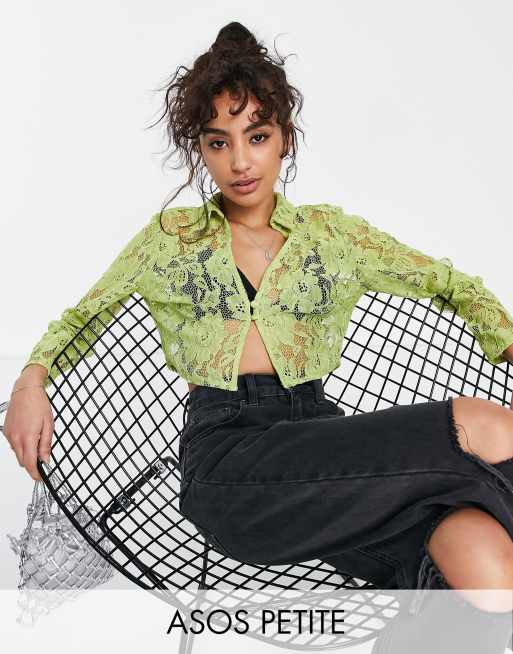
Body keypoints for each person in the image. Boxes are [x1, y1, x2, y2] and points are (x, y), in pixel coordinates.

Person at [4, 21, 513, 651]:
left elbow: (451, 283)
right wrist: (30, 381)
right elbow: (80, 320)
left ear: (285, 140)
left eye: (258, 136)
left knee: (487, 566)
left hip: (328, 455)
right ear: (200, 149)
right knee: (482, 425)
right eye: (219, 142)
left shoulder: (332, 237)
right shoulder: (172, 240)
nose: (240, 161)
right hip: (232, 466)